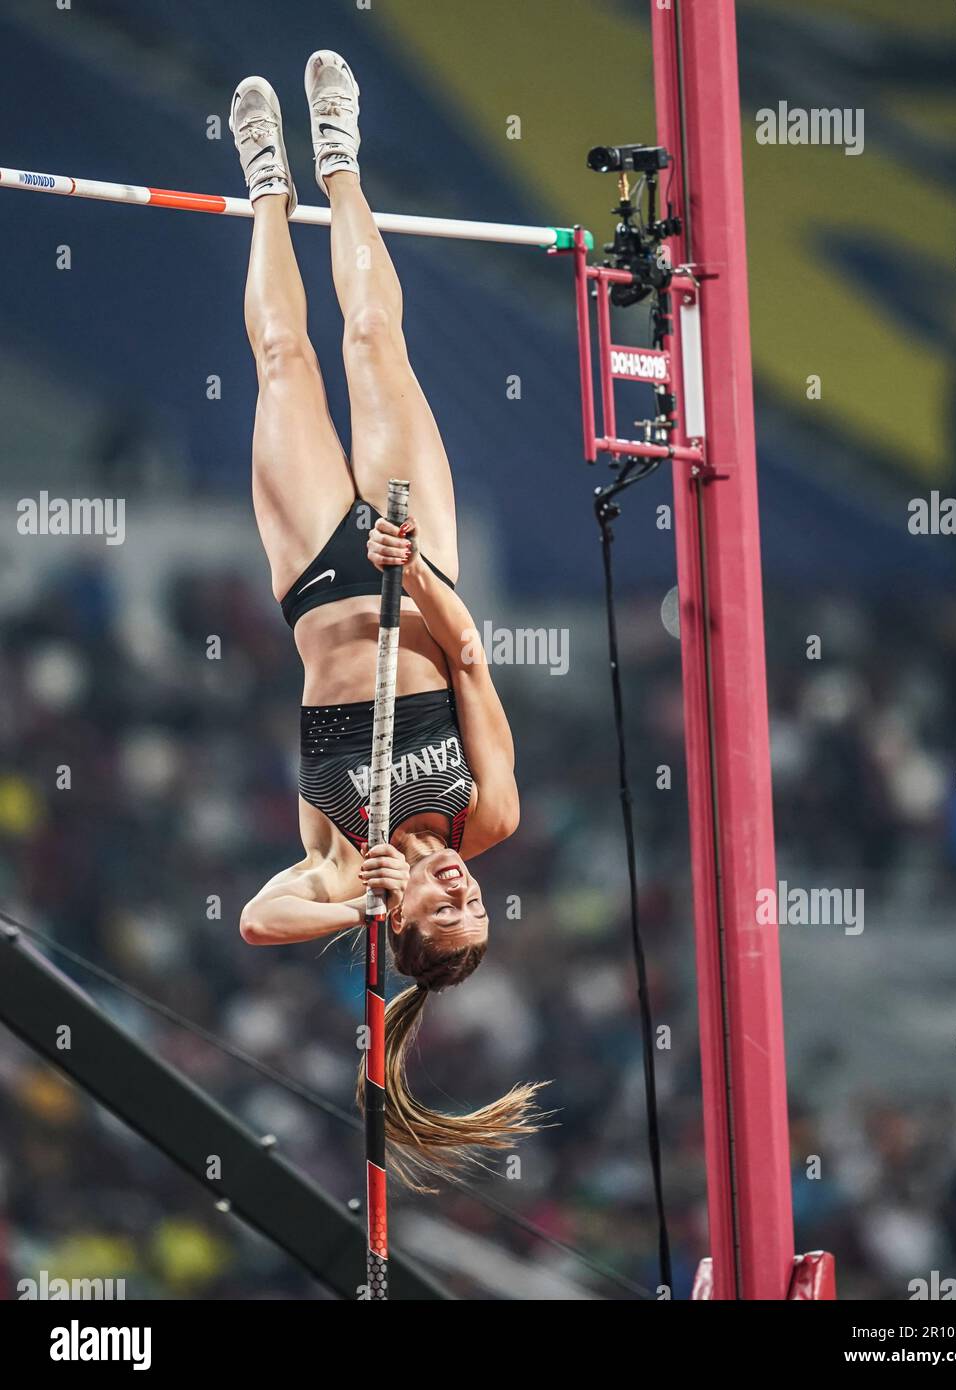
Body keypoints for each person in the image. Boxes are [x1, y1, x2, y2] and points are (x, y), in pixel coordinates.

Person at [233, 51, 542, 1185]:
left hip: (316, 577)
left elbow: (259, 922)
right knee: (375, 344)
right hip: (422, 567)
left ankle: (267, 181)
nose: (465, 888)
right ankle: (341, 158)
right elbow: (470, 652)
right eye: (476, 906)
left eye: (446, 912)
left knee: (283, 362)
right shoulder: (486, 817)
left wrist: (346, 905)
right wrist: (415, 572)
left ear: (400, 926)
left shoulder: (335, 870)